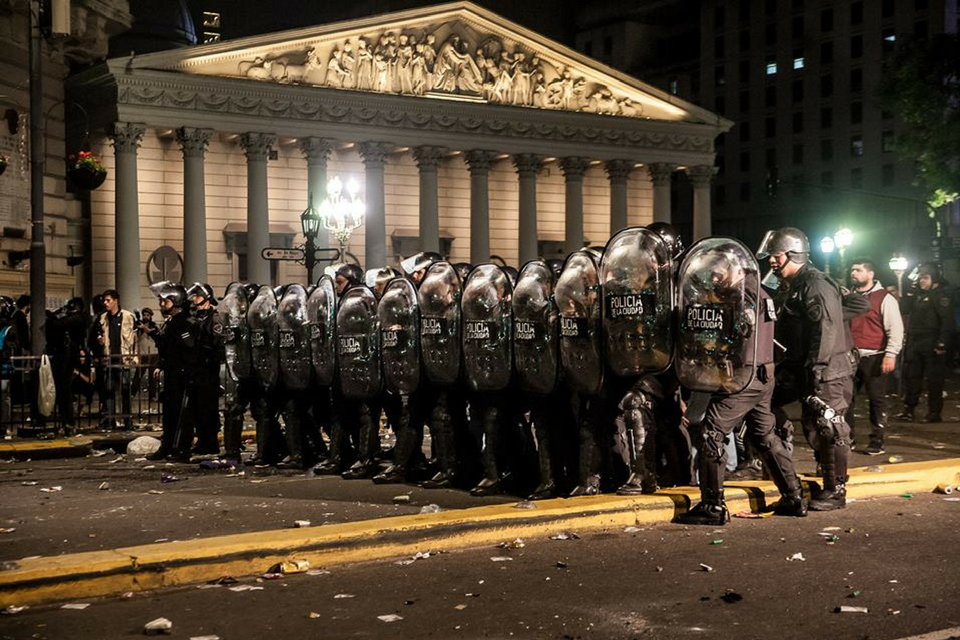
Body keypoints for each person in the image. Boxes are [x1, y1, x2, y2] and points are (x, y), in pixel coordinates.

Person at [675, 244, 806, 525]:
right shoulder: (757, 290)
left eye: (719, 273)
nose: (715, 278)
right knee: (764, 435)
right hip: (761, 375)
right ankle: (794, 497)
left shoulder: (743, 295)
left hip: (743, 376)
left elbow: (737, 335)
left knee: (711, 432)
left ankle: (712, 506)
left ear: (735, 267)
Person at [760, 227, 855, 511]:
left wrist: (818, 367)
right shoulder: (795, 284)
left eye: (776, 256)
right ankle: (783, 465)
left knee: (830, 425)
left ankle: (836, 490)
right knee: (775, 411)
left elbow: (825, 330)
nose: (772, 262)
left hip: (828, 371)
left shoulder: (815, 284)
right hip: (802, 367)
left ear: (793, 254)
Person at [846, 258, 904, 454]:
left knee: (876, 399)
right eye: (852, 270)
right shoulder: (848, 296)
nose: (854, 273)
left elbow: (895, 328)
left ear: (870, 274)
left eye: (859, 270)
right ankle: (847, 438)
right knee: (846, 399)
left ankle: (877, 440)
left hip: (875, 356)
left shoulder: (884, 298)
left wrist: (891, 354)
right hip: (850, 356)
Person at [896, 262, 954, 423]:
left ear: (934, 278)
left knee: (934, 379)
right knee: (912, 377)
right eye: (921, 277)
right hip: (915, 341)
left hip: (932, 341)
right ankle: (909, 409)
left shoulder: (941, 296)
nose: (922, 281)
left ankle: (934, 412)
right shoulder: (917, 294)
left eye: (925, 278)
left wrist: (942, 342)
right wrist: (903, 285)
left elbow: (947, 322)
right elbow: (904, 308)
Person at [147, 282, 198, 462]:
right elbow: (167, 348)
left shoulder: (184, 323)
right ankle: (167, 446)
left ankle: (181, 448)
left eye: (165, 301)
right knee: (169, 413)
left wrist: (189, 374)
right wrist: (161, 364)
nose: (161, 305)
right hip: (171, 374)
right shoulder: (172, 322)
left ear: (175, 301)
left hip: (182, 375)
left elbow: (189, 349)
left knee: (182, 414)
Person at [187, 283, 224, 456]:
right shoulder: (193, 316)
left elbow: (218, 340)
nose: (194, 299)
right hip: (195, 366)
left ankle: (210, 442)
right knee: (197, 407)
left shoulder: (214, 317)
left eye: (197, 295)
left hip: (209, 367)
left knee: (208, 407)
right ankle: (202, 440)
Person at [98, 289, 138, 429]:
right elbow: (100, 334)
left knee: (125, 391)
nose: (106, 303)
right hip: (110, 358)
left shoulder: (127, 316)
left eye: (108, 300)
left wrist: (135, 355)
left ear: (116, 301)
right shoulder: (104, 318)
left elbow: (134, 338)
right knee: (109, 391)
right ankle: (110, 421)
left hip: (123, 358)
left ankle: (128, 421)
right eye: (104, 300)